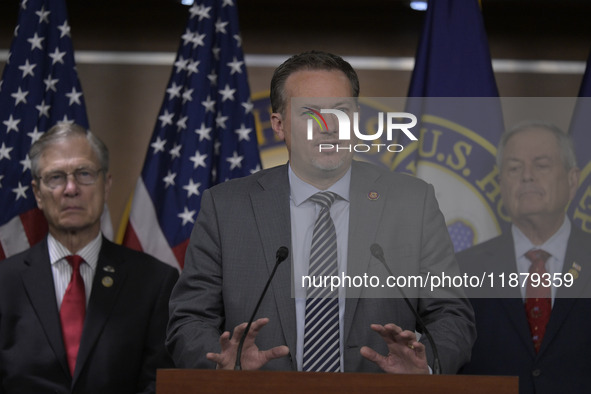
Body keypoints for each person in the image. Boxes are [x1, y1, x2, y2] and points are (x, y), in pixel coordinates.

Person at [167, 50, 475, 374]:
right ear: (279, 124)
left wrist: (425, 367)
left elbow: (451, 314)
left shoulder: (412, 201)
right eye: (310, 113)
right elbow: (190, 318)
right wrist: (221, 366)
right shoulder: (226, 207)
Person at [0, 123, 179, 394]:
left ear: (106, 185)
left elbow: (157, 384)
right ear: (37, 193)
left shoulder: (155, 282)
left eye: (84, 174)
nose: (71, 189)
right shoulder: (4, 283)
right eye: (56, 177)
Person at [458, 121, 591, 393]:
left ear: (572, 180)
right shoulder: (462, 269)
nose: (527, 176)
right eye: (514, 168)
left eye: (541, 165)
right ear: (501, 184)